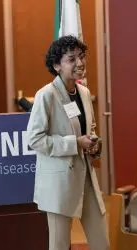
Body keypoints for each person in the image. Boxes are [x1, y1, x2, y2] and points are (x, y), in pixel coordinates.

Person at [26, 35, 109, 250]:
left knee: (102, 243)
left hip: (86, 178)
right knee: (60, 245)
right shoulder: (46, 95)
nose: (79, 63)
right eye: (71, 59)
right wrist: (75, 143)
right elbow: (35, 139)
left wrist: (93, 144)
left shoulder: (84, 92)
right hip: (59, 183)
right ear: (57, 65)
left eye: (81, 57)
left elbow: (88, 129)